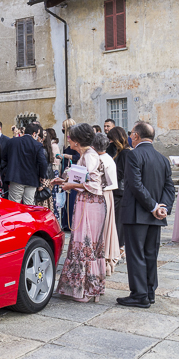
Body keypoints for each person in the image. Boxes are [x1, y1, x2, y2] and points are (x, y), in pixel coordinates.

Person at [117, 121, 176, 308]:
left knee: (136, 255)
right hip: (155, 215)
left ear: (136, 136)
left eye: (131, 133)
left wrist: (153, 207)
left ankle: (139, 294)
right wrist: (162, 208)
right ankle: (150, 292)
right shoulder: (162, 158)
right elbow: (169, 187)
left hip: (137, 214)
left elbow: (134, 185)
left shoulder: (134, 155)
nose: (130, 137)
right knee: (151, 253)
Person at [53, 123, 106, 302]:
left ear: (77, 140)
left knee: (85, 241)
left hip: (91, 203)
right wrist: (62, 181)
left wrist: (71, 185)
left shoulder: (90, 156)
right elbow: (79, 178)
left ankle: (86, 290)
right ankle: (83, 288)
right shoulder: (86, 155)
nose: (68, 139)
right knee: (82, 241)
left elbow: (95, 184)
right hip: (86, 202)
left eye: (71, 136)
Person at [1, 123, 49, 205]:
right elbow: (43, 162)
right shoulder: (37, 145)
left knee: (14, 205)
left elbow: (4, 157)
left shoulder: (12, 142)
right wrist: (42, 176)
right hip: (32, 178)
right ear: (34, 134)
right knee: (29, 205)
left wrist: (6, 169)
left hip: (15, 177)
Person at [94, 132, 121, 275]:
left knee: (103, 228)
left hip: (103, 195)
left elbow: (112, 183)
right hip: (105, 195)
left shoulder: (103, 160)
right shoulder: (105, 158)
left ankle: (105, 260)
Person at [108, 126, 131, 251]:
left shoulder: (124, 153)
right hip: (120, 190)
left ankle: (119, 246)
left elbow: (119, 174)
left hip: (119, 191)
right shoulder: (124, 152)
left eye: (111, 139)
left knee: (118, 221)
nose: (110, 142)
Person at [59, 118, 80, 231]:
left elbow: (78, 157)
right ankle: (66, 223)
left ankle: (71, 223)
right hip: (68, 171)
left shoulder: (75, 141)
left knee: (71, 198)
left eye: (64, 127)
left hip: (74, 172)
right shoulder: (68, 141)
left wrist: (65, 156)